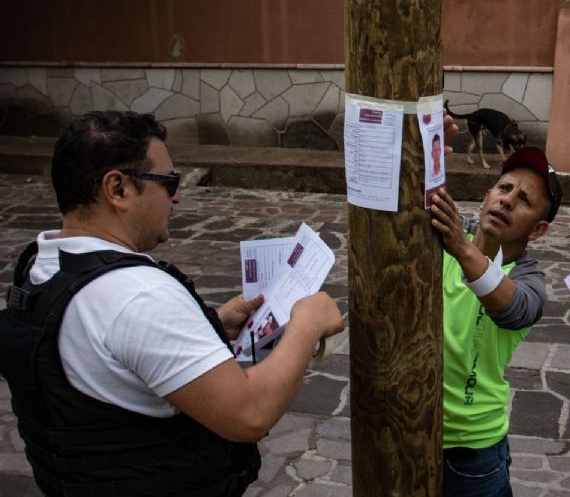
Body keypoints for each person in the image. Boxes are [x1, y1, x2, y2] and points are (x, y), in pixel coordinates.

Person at [0, 111, 345, 496]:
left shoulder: (41, 265)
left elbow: (106, 350)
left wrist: (211, 323)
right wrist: (306, 323)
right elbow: (249, 414)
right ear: (118, 189)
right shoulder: (138, 296)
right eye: (168, 182)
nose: (178, 195)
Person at [430, 146, 563, 496]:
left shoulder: (528, 278)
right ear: (487, 195)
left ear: (538, 229)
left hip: (471, 450)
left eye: (524, 200)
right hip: (405, 427)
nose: (507, 200)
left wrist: (462, 248)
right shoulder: (442, 237)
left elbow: (514, 309)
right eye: (504, 189)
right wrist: (428, 142)